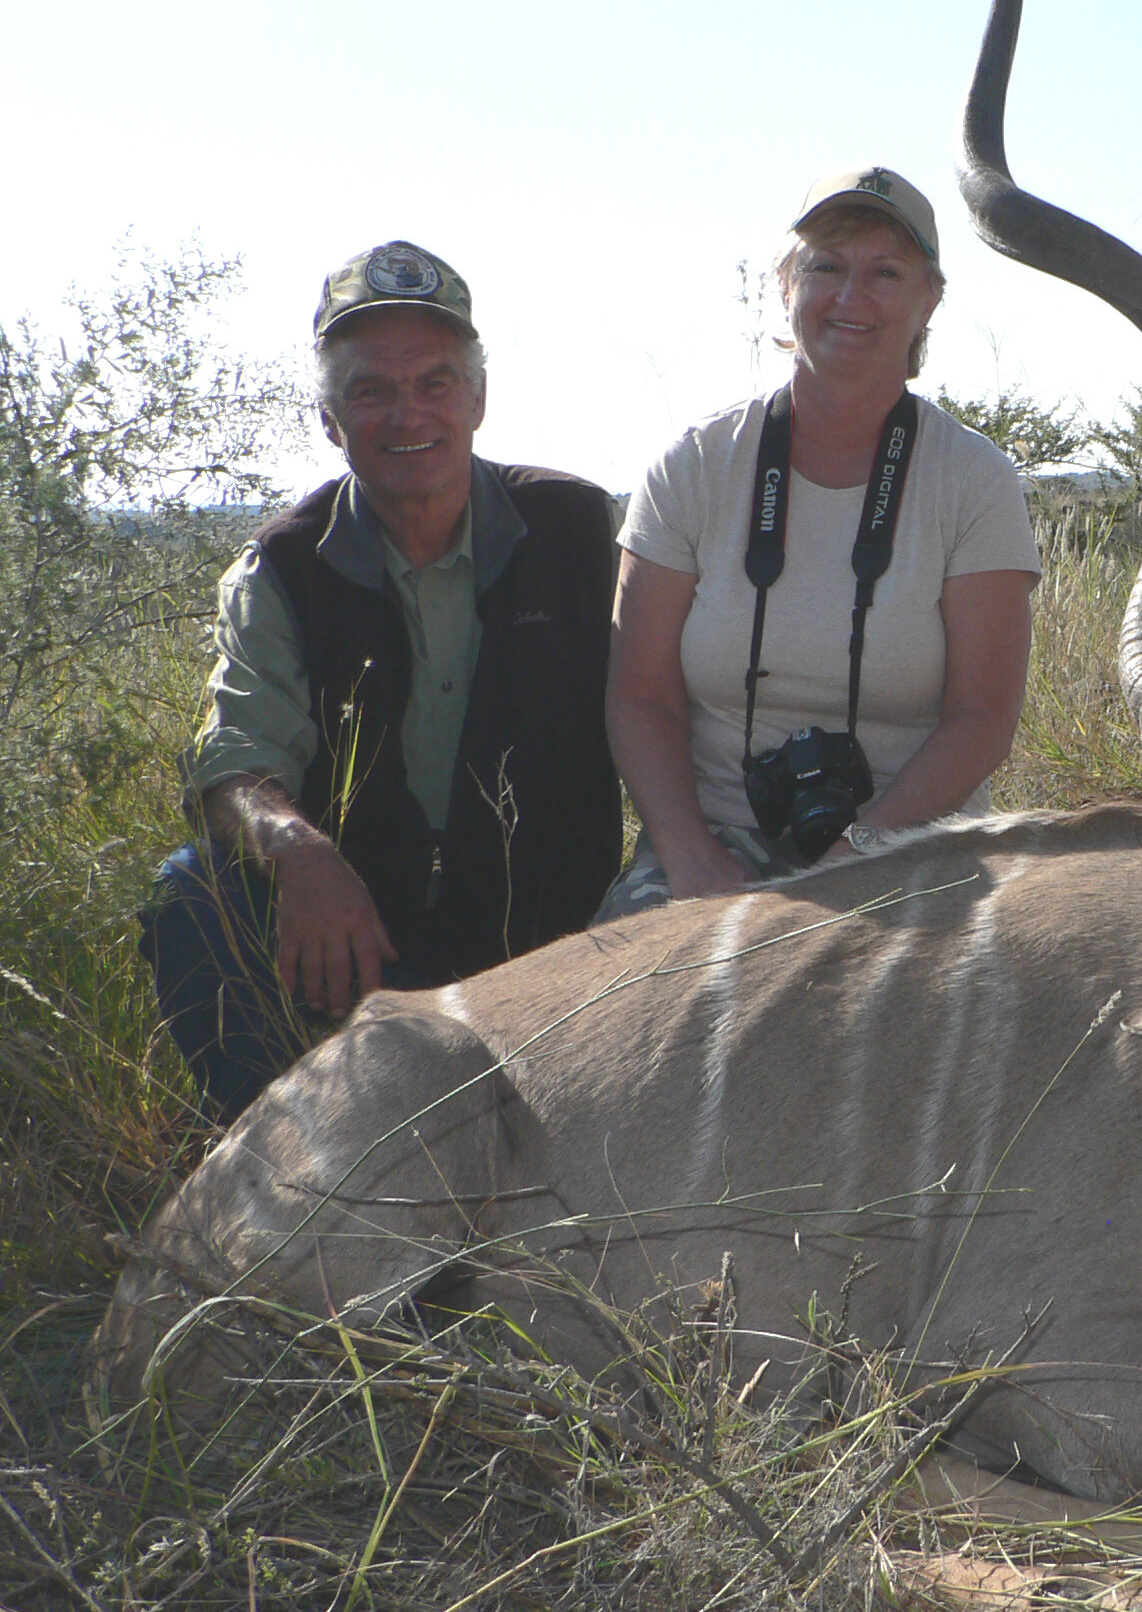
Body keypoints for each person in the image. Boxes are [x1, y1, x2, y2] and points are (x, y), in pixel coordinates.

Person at [143, 242, 623, 1122]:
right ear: (331, 419)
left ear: (479, 399)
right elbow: (234, 763)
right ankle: (286, 1178)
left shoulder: (583, 531)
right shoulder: (284, 566)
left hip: (557, 959)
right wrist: (298, 853)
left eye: (435, 382)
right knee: (194, 892)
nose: (409, 413)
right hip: (363, 957)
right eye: (371, 390)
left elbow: (669, 716)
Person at [598, 167, 1042, 915]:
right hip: (719, 842)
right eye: (825, 268)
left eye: (885, 272)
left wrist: (857, 855)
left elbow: (982, 718)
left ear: (929, 300)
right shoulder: (694, 465)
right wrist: (688, 853)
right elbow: (639, 695)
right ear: (784, 287)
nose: (849, 297)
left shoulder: (975, 479)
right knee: (614, 998)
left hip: (910, 848)